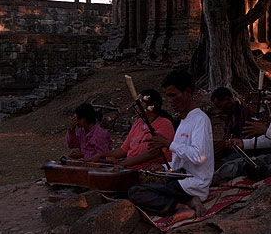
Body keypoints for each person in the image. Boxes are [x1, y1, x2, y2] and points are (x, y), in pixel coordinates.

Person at [128, 70, 214, 224]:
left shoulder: (200, 119)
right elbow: (178, 163)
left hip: (194, 183)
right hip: (180, 180)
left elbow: (199, 157)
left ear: (187, 92)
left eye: (174, 95)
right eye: (168, 96)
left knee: (135, 192)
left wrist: (168, 143)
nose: (170, 100)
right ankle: (190, 201)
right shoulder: (183, 121)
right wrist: (163, 168)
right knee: (135, 185)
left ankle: (181, 207)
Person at [85, 89, 174, 169]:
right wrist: (101, 155)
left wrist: (122, 164)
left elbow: (153, 152)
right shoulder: (137, 123)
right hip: (131, 169)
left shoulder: (164, 124)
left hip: (149, 171)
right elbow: (123, 150)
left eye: (139, 102)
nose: (135, 106)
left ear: (151, 105)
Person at [210, 87, 254, 162]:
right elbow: (227, 137)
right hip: (233, 152)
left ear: (228, 100)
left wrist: (227, 144)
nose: (220, 110)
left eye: (220, 106)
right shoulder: (229, 117)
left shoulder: (245, 112)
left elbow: (249, 140)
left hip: (245, 153)